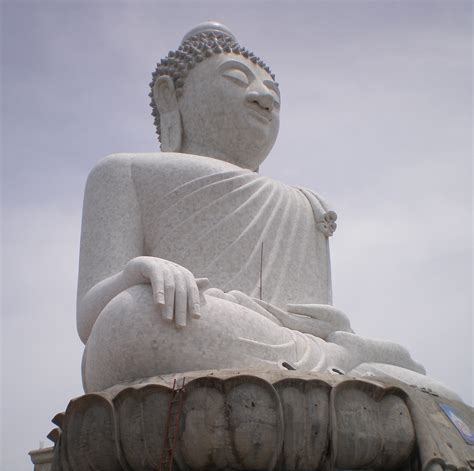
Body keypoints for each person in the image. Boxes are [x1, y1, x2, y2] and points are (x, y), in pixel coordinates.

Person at [77, 21, 457, 400]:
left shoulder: (303, 202)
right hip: (187, 321)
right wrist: (134, 273)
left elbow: (311, 318)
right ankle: (346, 365)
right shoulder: (123, 170)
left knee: (144, 320)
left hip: (261, 339)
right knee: (131, 318)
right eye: (235, 79)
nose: (264, 99)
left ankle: (337, 362)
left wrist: (323, 335)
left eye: (273, 93)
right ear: (169, 96)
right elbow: (89, 319)